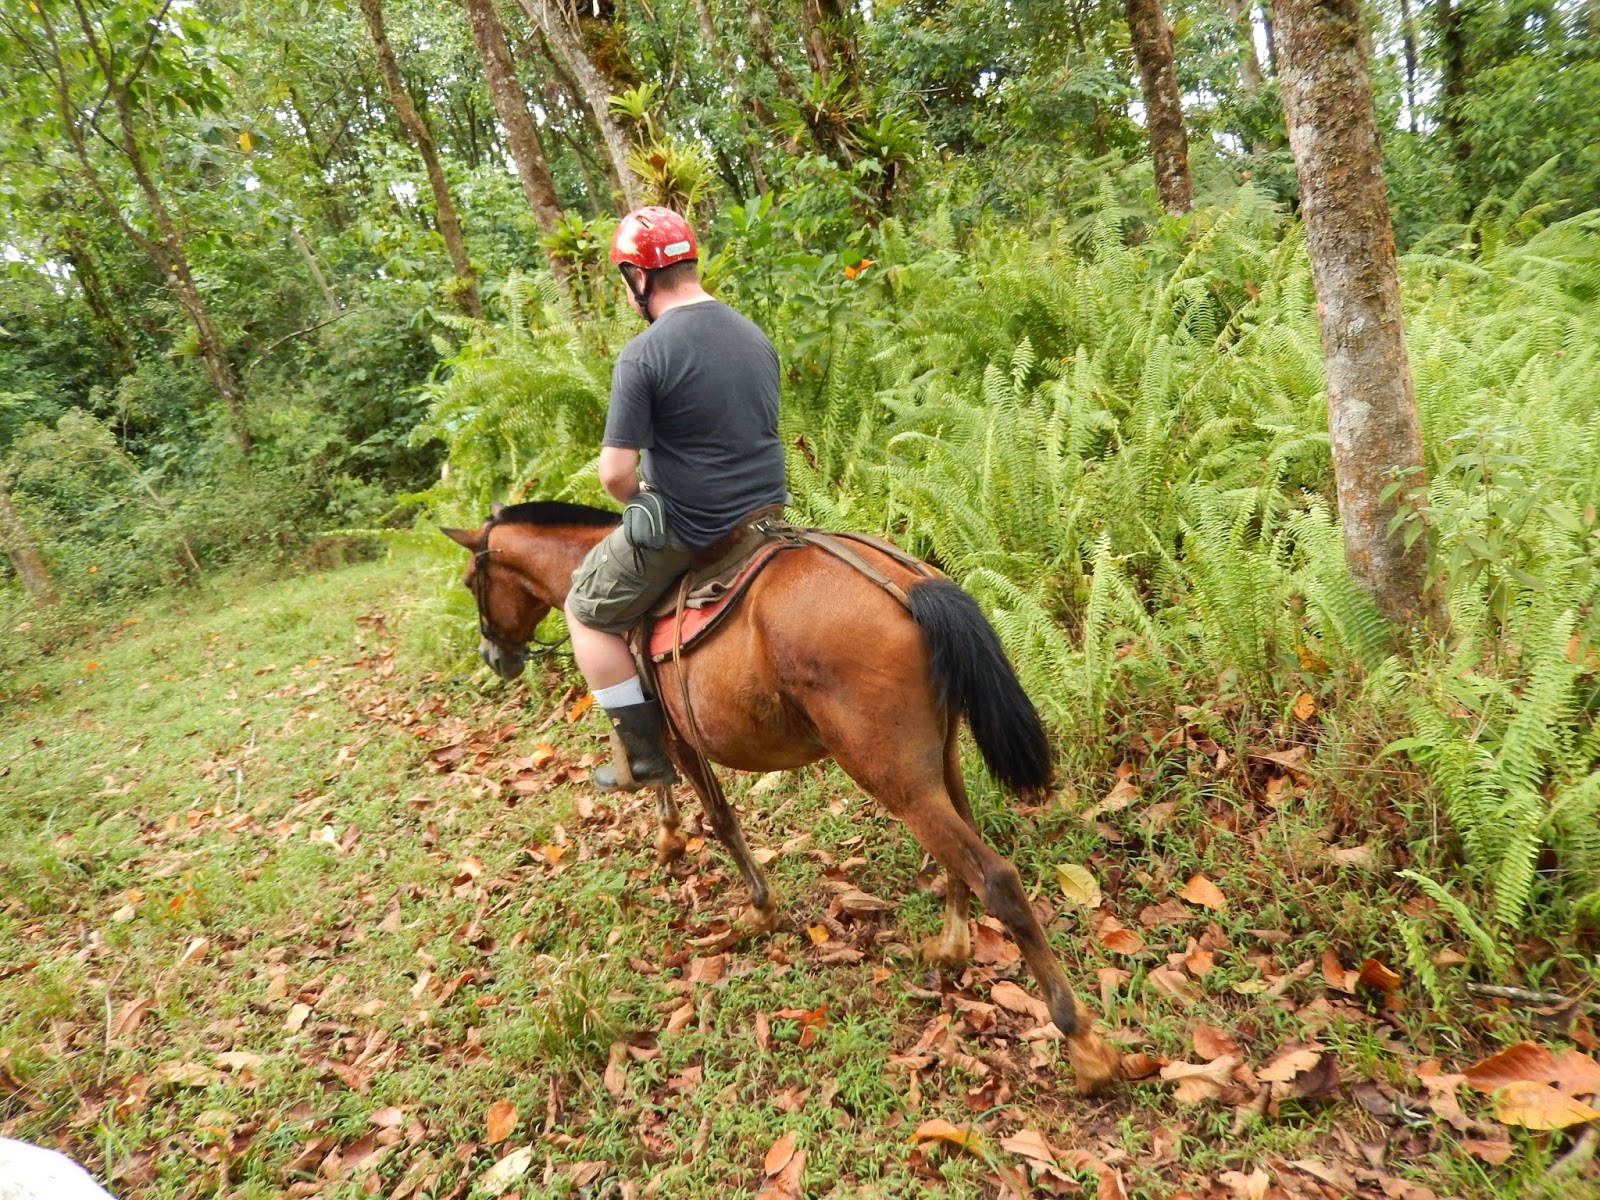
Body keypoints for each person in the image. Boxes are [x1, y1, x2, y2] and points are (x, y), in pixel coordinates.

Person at [564, 206, 788, 792]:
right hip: (766, 515)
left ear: (638, 277)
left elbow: (615, 474)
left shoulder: (645, 352)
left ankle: (643, 756)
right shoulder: (753, 335)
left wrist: (638, 494)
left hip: (694, 526)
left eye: (626, 279)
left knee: (584, 611)